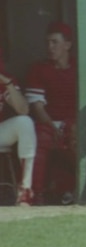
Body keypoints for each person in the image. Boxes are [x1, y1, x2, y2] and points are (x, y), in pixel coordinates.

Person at [25, 21, 76, 204]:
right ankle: (37, 193)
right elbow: (37, 107)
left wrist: (74, 124)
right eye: (48, 42)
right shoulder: (39, 69)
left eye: (55, 42)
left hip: (72, 122)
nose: (50, 47)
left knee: (79, 138)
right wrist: (52, 127)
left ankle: (80, 188)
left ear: (67, 45)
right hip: (47, 122)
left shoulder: (79, 67)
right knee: (41, 138)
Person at [0, 56, 37, 206]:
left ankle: (25, 189)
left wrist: (8, 84)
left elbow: (23, 109)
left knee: (24, 122)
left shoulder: (4, 80)